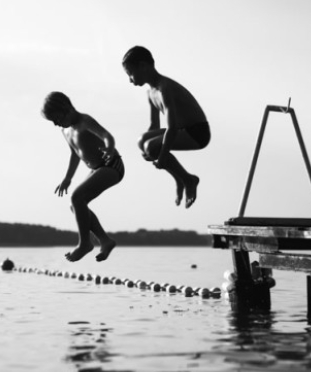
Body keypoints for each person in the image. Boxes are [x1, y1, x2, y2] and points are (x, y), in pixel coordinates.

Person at [121, 46, 210, 208]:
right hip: (182, 129)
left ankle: (188, 179)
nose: (130, 80)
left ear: (143, 66)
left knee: (151, 146)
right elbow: (154, 126)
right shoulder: (151, 93)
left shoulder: (165, 88)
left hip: (198, 132)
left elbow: (172, 127)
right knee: (143, 142)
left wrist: (161, 156)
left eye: (130, 74)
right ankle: (181, 179)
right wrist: (147, 150)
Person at [41, 91, 123, 262]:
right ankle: (105, 240)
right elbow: (75, 153)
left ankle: (84, 243)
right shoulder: (65, 131)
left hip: (111, 165)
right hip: (96, 168)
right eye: (53, 122)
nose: (56, 124)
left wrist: (109, 147)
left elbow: (107, 136)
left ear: (67, 109)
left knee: (77, 198)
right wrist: (68, 178)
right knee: (76, 206)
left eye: (57, 119)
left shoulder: (85, 122)